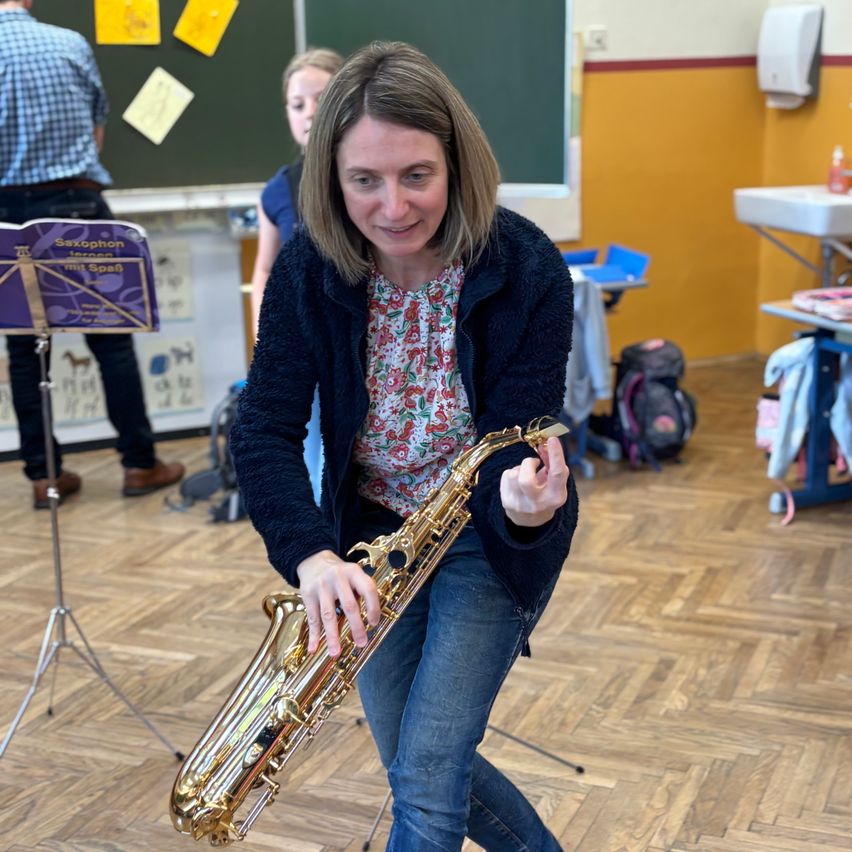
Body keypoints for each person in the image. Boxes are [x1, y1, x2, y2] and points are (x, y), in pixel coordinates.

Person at [230, 41, 578, 852]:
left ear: (457, 161)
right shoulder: (308, 271)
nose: (392, 206)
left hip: (485, 539)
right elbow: (266, 427)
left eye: (416, 174)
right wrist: (314, 557)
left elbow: (516, 440)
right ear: (330, 178)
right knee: (418, 758)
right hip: (369, 536)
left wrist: (524, 507)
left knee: (427, 768)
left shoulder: (527, 265)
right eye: (364, 180)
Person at [0, 0, 184, 508]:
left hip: (5, 213)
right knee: (112, 343)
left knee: (24, 352)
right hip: (76, 203)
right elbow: (96, 132)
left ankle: (45, 476)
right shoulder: (70, 44)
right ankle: (140, 464)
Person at [249, 47, 343, 503]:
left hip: (357, 348)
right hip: (304, 348)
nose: (309, 113)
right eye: (297, 104)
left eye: (322, 99)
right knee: (312, 467)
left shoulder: (363, 173)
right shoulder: (279, 187)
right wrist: (263, 339)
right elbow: (265, 268)